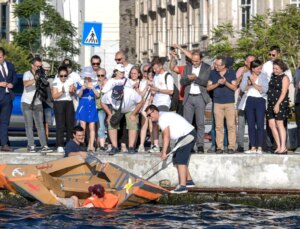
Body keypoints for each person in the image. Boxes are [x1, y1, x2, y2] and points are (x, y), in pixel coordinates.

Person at [145, 105, 196, 194]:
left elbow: (166, 136)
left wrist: (164, 152)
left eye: (149, 115)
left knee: (180, 160)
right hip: (184, 136)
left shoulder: (162, 118)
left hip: (187, 135)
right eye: (147, 116)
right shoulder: (161, 117)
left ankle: (182, 186)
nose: (149, 117)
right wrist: (163, 152)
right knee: (176, 158)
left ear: (155, 111)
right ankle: (189, 181)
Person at [101, 77, 144, 155]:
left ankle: (131, 147)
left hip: (131, 109)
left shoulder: (131, 93)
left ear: (123, 92)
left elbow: (141, 102)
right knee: (111, 124)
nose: (117, 99)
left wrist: (134, 114)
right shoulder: (109, 94)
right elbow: (102, 102)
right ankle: (114, 147)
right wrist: (110, 114)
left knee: (132, 124)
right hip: (116, 109)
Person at [180, 49, 211, 153]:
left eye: (197, 61)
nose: (194, 63)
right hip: (188, 97)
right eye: (193, 61)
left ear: (201, 59)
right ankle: (188, 145)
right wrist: (188, 79)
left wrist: (195, 78)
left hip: (200, 97)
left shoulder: (207, 67)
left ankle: (200, 145)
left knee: (200, 123)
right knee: (187, 123)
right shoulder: (188, 67)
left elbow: (205, 82)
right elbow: (182, 81)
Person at [21, 57, 53, 154]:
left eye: (40, 66)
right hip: (27, 102)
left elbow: (46, 85)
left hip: (38, 102)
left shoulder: (42, 74)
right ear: (32, 65)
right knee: (29, 125)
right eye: (37, 66)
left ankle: (44, 145)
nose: (38, 68)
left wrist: (44, 80)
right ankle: (31, 145)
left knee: (40, 125)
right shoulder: (27, 73)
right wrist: (35, 79)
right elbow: (26, 84)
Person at [207, 56, 237, 154]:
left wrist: (225, 83)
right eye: (215, 64)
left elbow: (234, 87)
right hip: (217, 103)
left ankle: (231, 146)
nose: (215, 66)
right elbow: (208, 88)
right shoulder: (212, 73)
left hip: (229, 103)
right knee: (218, 126)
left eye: (217, 65)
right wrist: (217, 84)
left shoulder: (231, 73)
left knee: (231, 126)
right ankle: (219, 147)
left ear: (223, 65)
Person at [239, 60, 269, 154]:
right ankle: (252, 147)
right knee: (251, 124)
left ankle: (259, 147)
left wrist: (254, 84)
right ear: (252, 68)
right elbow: (242, 89)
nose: (259, 70)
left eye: (260, 68)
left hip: (260, 100)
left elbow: (265, 89)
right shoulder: (246, 74)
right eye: (257, 68)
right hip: (249, 100)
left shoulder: (263, 75)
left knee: (260, 124)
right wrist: (248, 84)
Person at [149, 58, 174, 153]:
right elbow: (154, 90)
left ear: (160, 66)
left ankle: (166, 145)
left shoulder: (168, 76)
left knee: (163, 124)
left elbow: (171, 91)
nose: (154, 70)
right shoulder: (156, 76)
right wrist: (152, 96)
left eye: (155, 68)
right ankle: (156, 145)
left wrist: (158, 90)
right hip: (155, 102)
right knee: (154, 123)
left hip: (164, 103)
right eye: (153, 69)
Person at [266, 59, 290, 154]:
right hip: (271, 103)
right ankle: (278, 145)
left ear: (282, 68)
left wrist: (277, 104)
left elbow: (284, 92)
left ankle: (283, 147)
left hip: (280, 103)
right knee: (271, 125)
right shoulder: (273, 76)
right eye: (273, 68)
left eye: (276, 69)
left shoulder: (285, 77)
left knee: (279, 124)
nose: (274, 70)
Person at [51, 66, 76, 153]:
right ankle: (60, 144)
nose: (63, 78)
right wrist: (61, 92)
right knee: (60, 125)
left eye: (65, 75)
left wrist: (72, 91)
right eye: (61, 76)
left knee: (70, 124)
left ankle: (69, 144)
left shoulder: (70, 80)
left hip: (69, 102)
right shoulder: (55, 82)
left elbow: (73, 92)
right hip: (59, 103)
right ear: (58, 75)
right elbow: (54, 96)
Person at [235, 54, 256, 152]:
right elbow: (235, 84)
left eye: (253, 61)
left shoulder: (258, 71)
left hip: (253, 98)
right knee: (241, 123)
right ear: (245, 62)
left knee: (252, 122)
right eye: (250, 62)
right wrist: (242, 75)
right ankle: (240, 145)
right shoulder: (241, 70)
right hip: (242, 98)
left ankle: (253, 144)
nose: (252, 64)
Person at [76, 71, 100, 152]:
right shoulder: (80, 84)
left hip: (92, 106)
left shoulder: (95, 84)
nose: (87, 79)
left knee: (92, 126)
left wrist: (92, 87)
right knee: (83, 126)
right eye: (86, 77)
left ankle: (91, 145)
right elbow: (78, 95)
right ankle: (82, 144)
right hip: (83, 105)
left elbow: (98, 95)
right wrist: (82, 88)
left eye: (89, 77)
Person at [0, 47, 17, 152]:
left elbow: (15, 78)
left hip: (7, 97)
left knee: (5, 122)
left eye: (0, 57)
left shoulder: (10, 66)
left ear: (4, 56)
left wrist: (12, 83)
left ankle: (4, 144)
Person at [50, 184, 119, 209]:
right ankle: (57, 199)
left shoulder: (91, 204)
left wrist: (76, 199)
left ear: (94, 194)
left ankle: (56, 197)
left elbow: (77, 211)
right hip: (85, 208)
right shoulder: (106, 196)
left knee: (72, 199)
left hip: (78, 212)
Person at [169, 44, 192, 116]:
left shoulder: (198, 68)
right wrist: (173, 58)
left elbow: (191, 57)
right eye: (186, 58)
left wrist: (179, 47)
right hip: (182, 98)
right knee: (180, 120)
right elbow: (172, 68)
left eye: (187, 58)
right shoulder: (184, 68)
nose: (186, 60)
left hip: (193, 99)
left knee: (193, 122)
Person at [95, 68, 108, 151]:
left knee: (108, 126)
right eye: (98, 75)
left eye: (102, 75)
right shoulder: (95, 84)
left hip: (108, 107)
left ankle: (107, 144)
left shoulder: (109, 83)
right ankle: (101, 145)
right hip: (99, 108)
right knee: (101, 127)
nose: (100, 77)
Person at [294, 64, 300, 153]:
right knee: (299, 124)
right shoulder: (297, 71)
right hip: (298, 99)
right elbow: (294, 84)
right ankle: (299, 145)